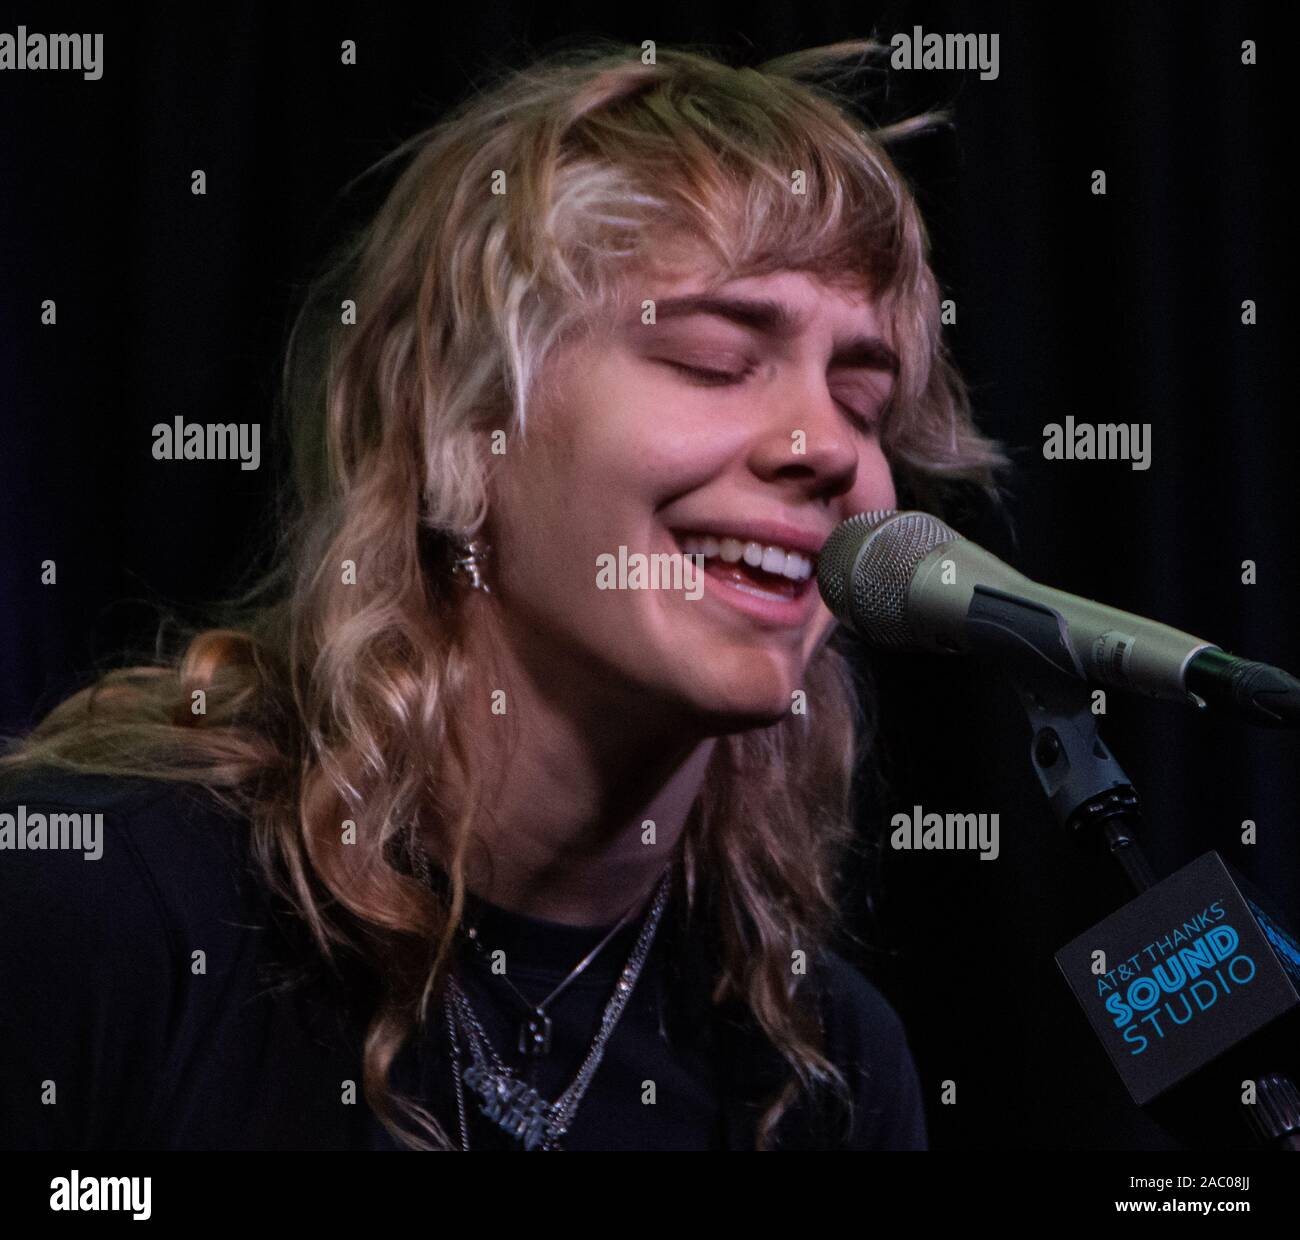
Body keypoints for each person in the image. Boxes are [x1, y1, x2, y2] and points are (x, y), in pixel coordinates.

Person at [0, 39, 1006, 1151]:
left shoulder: (826, 1067)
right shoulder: (102, 912)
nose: (827, 449)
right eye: (716, 361)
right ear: (463, 422)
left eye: (863, 402)